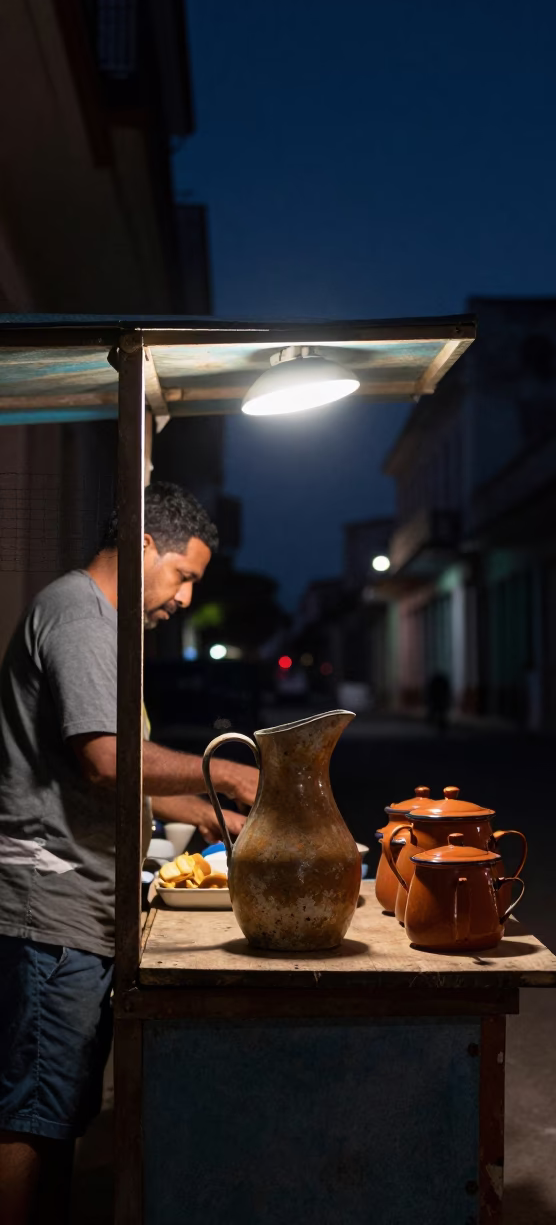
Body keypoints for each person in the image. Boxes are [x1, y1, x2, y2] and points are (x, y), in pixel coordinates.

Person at [0, 481, 259, 1224]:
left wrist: (223, 818)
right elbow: (109, 761)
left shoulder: (103, 626)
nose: (183, 599)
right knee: (29, 1114)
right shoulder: (80, 616)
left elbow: (130, 782)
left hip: (75, 908)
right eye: (185, 576)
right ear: (145, 544)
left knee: (56, 1112)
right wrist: (226, 771)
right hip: (46, 909)